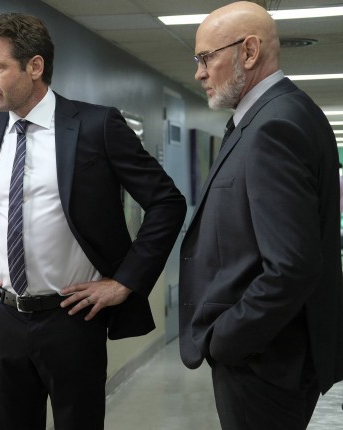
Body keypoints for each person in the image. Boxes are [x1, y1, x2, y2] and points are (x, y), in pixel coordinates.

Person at [0, 13, 186, 430]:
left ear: (34, 66)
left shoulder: (96, 126)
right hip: (5, 316)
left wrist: (124, 281)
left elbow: (167, 203)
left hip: (72, 318)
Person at [179, 2, 343, 429]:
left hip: (266, 361)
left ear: (249, 52)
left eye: (206, 58)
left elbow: (292, 266)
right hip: (271, 355)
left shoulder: (274, 126)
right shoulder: (272, 116)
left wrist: (226, 339)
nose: (199, 73)